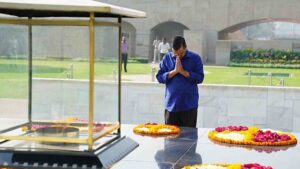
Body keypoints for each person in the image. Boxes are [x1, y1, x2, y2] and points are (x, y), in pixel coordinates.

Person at [156, 36, 204, 127]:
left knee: (189, 138)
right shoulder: (167, 58)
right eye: (175, 54)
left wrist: (184, 72)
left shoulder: (195, 58)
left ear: (185, 48)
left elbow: (200, 77)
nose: (178, 57)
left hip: (189, 106)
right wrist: (174, 72)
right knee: (170, 137)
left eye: (181, 54)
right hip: (171, 106)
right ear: (172, 49)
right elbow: (159, 77)